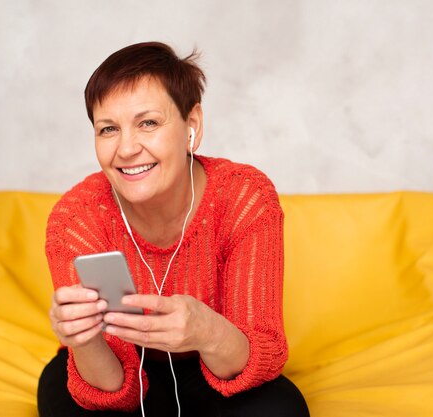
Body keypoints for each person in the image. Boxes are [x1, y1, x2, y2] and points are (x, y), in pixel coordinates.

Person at [37, 42, 310, 417]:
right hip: (114, 370)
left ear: (191, 125)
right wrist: (82, 339)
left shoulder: (245, 196)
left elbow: (257, 358)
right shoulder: (77, 217)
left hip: (211, 362)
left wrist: (205, 330)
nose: (127, 148)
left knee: (281, 409)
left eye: (148, 122)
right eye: (108, 129)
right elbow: (112, 391)